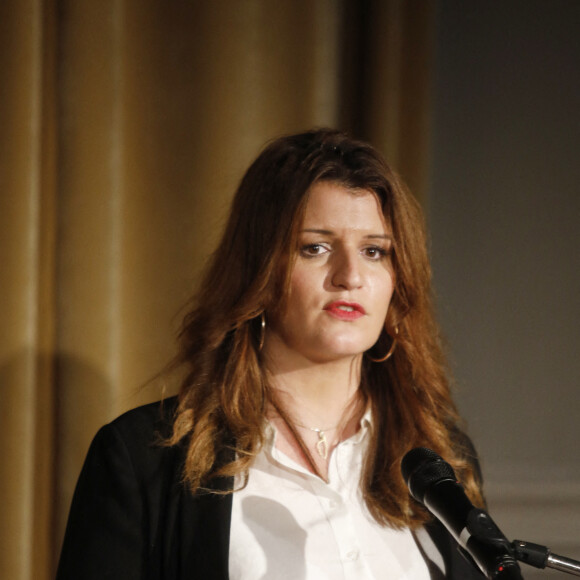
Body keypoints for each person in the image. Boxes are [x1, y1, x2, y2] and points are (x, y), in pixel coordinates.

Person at [56, 128, 486, 579]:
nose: (350, 275)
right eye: (315, 248)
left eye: (374, 251)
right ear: (260, 270)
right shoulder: (144, 459)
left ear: (399, 281)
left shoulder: (441, 460)